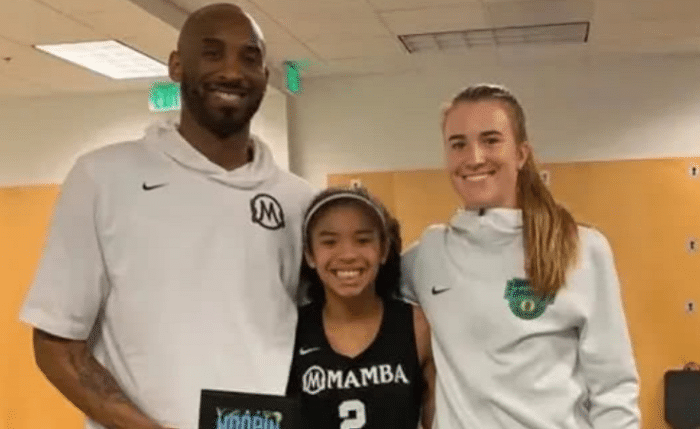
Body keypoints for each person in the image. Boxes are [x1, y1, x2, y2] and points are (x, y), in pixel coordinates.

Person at [19, 4, 314, 429]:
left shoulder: (299, 201)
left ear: (266, 76)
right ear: (176, 65)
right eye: (212, 53)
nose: (233, 71)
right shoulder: (102, 178)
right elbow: (57, 343)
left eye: (249, 58)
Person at [402, 84, 640, 428]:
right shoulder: (428, 255)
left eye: (491, 140)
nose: (474, 157)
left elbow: (614, 387)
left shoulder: (580, 248)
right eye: (458, 144)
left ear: (521, 154)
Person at [287, 187, 435, 429]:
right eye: (329, 242)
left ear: (384, 249)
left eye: (363, 240)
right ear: (310, 255)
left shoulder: (417, 326)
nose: (348, 254)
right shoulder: (291, 330)